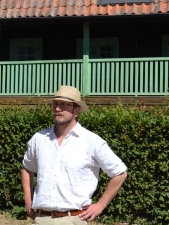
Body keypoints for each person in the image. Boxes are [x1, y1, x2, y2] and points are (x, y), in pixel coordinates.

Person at [21, 85, 127, 224]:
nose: (58, 109)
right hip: (42, 219)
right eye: (55, 104)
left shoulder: (92, 141)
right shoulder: (39, 139)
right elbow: (27, 167)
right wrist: (28, 201)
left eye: (64, 105)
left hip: (74, 219)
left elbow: (119, 172)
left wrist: (100, 205)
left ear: (76, 111)